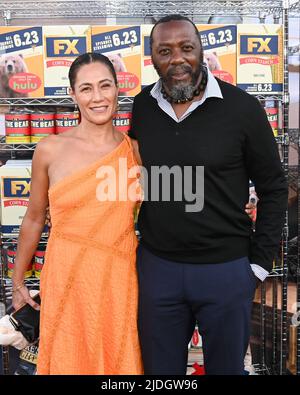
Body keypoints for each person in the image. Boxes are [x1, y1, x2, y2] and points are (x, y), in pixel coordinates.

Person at [128, 15, 288, 375]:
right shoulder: (142, 107)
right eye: (164, 51)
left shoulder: (242, 108)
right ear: (152, 58)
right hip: (158, 270)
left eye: (187, 48)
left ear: (201, 51)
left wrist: (259, 265)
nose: (177, 59)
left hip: (226, 270)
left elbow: (274, 188)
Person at [11, 52, 143, 375]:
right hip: (66, 279)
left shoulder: (136, 151)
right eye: (86, 89)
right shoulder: (49, 149)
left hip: (118, 281)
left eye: (105, 86)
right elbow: (33, 218)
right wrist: (17, 281)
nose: (97, 97)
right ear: (73, 95)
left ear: (117, 89)